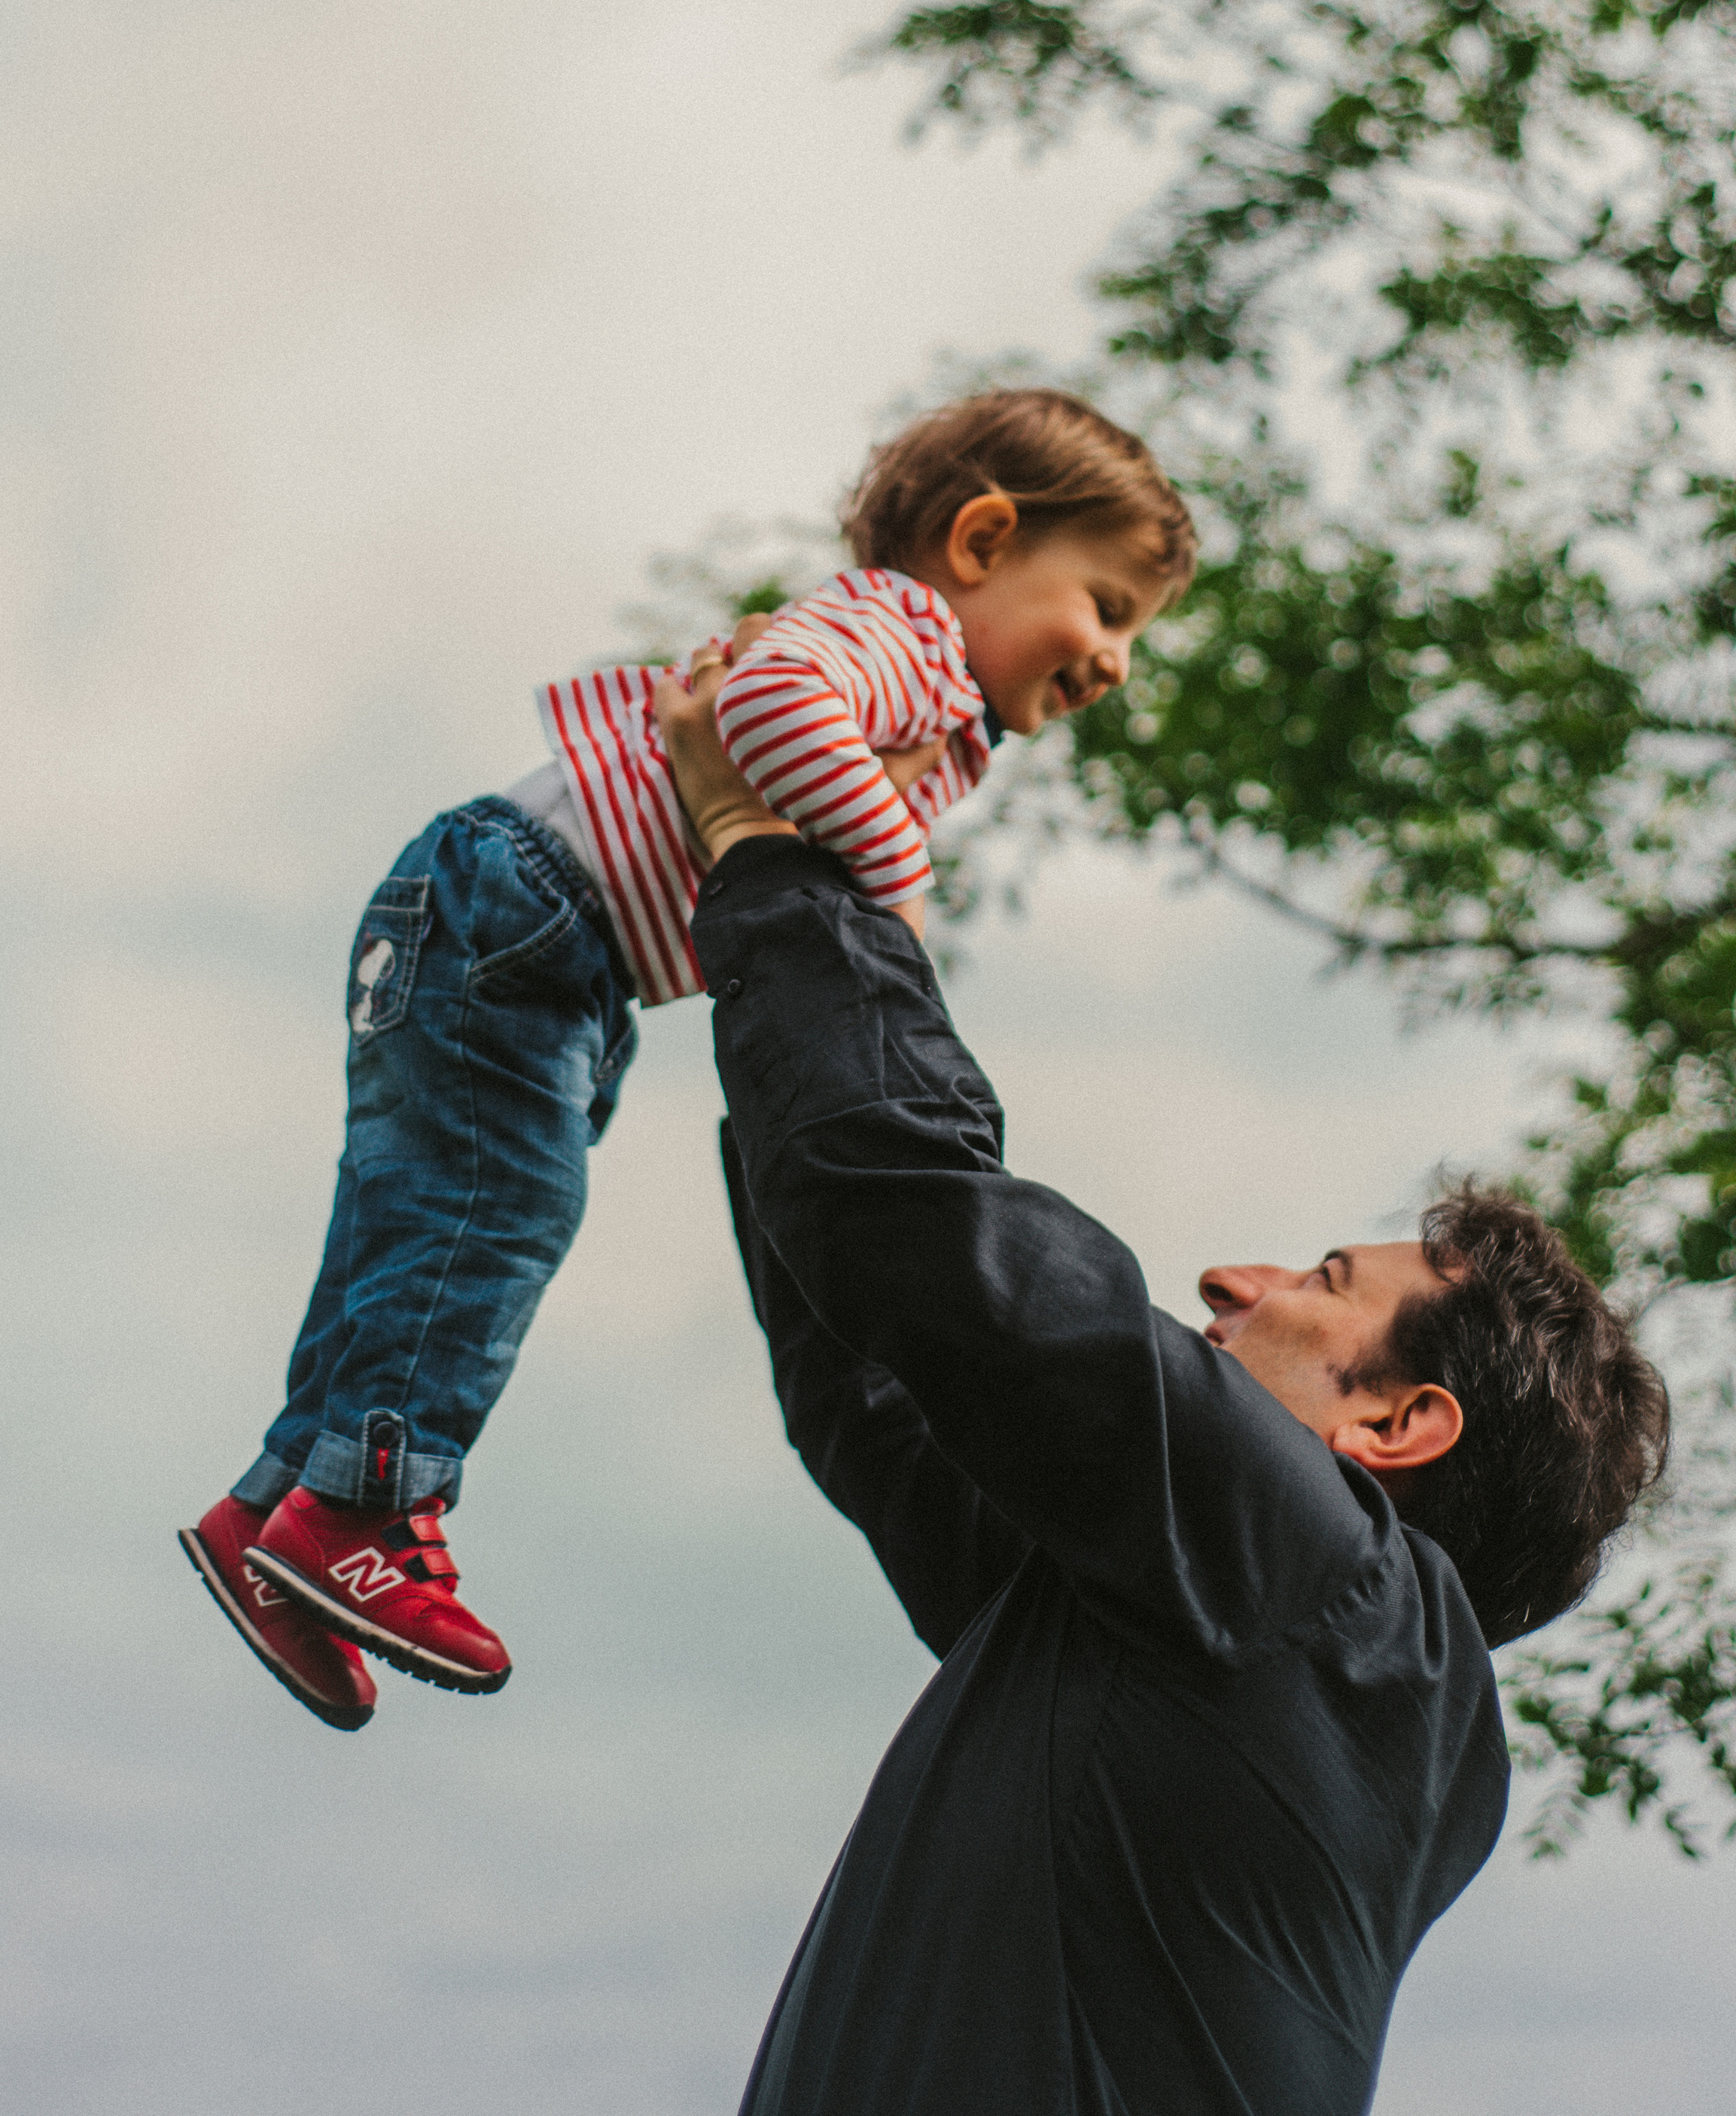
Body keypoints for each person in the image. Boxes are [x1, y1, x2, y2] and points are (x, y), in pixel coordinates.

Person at [653, 653, 1671, 2116]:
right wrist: (845, 933)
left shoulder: (1338, 1595)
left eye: (1323, 1278)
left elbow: (925, 1230)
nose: (1231, 1279)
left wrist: (759, 852)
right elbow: (881, 1370)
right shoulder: (1193, 1648)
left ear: (1394, 1423)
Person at [178, 391, 1196, 1731]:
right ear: (983, 539)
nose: (1116, 659)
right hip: (529, 911)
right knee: (491, 1209)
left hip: (536, 936)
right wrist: (900, 875)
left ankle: (274, 1511)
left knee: (413, 1219)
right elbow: (767, 703)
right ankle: (365, 1505)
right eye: (1108, 606)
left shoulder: (922, 673)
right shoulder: (908, 634)